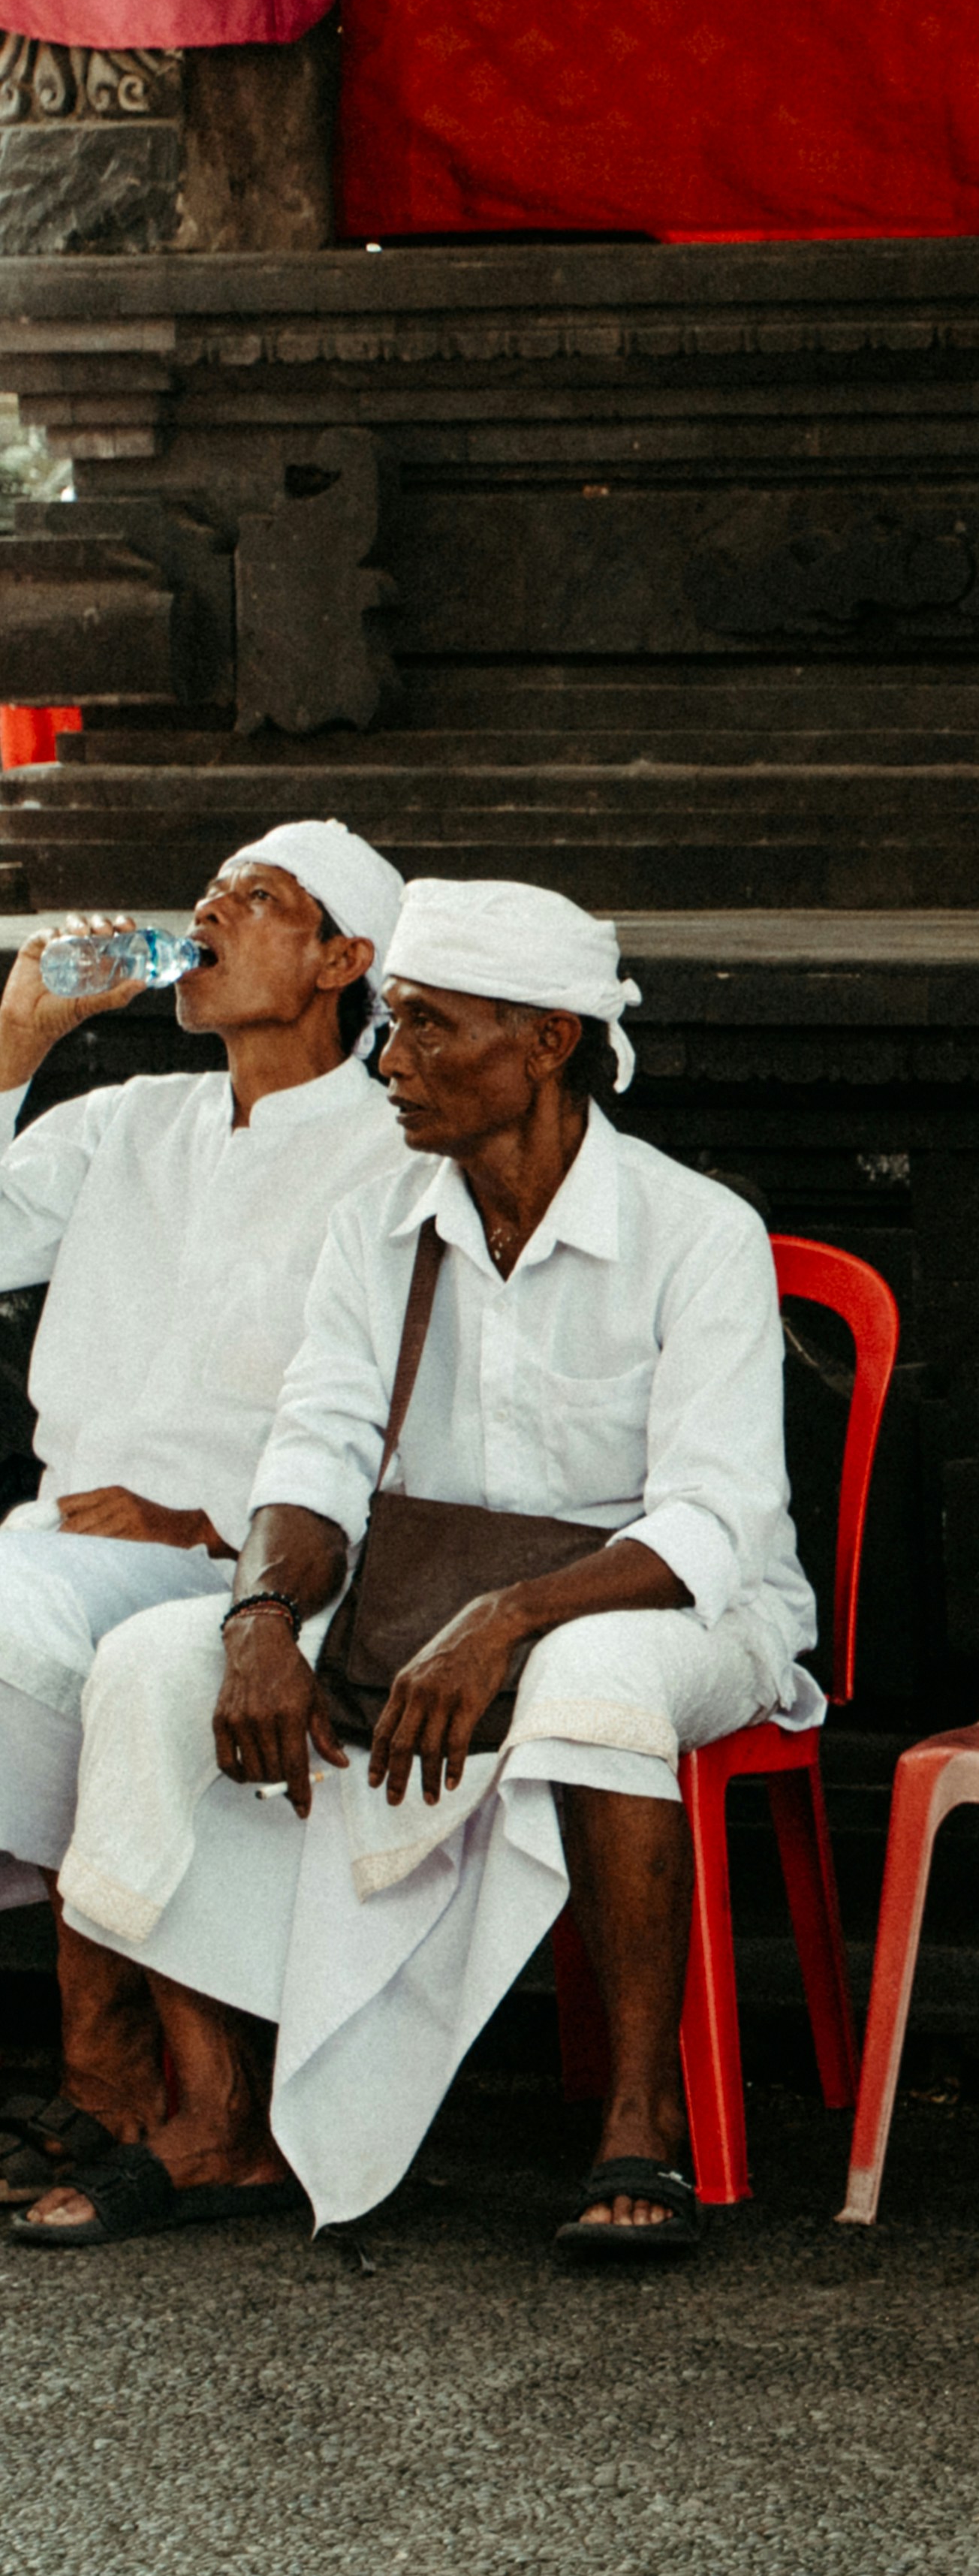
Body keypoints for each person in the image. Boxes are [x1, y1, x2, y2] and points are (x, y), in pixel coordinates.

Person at [47, 881, 821, 2257]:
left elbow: (718, 1521)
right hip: (416, 1603)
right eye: (391, 1024)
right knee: (154, 1657)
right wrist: (264, 1616)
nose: (388, 1061)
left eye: (427, 1029)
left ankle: (642, 2121)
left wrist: (507, 1621)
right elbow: (318, 1452)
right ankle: (220, 2118)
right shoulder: (383, 1225)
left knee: (595, 1673)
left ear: (546, 1043)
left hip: (676, 1612)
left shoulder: (696, 1232)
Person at [0, 827, 411, 2243]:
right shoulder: (134, 1123)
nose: (211, 913)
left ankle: (116, 2062)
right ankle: (126, 2061)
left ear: (341, 962)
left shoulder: (391, 1147)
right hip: (59, 1544)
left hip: (251, 1565)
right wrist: (15, 1047)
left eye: (259, 902)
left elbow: (403, 1403)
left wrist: (216, 1522)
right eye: (211, 893)